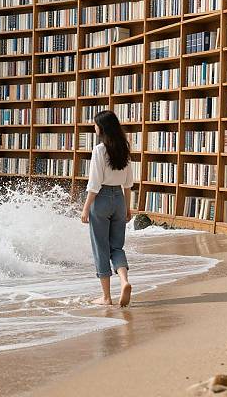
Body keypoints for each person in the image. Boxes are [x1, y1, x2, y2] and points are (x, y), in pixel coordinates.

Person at [80, 110, 133, 307]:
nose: (94, 128)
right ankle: (124, 281)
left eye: (95, 125)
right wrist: (128, 208)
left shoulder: (99, 150)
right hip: (119, 199)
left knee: (100, 248)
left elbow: (94, 184)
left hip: (101, 199)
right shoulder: (124, 149)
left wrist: (85, 209)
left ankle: (106, 297)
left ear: (102, 128)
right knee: (116, 247)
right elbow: (128, 183)